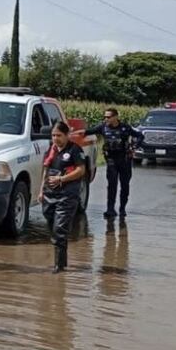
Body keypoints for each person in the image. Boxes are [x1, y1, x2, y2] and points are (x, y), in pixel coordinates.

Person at [38, 121, 86, 273]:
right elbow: (45, 171)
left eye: (59, 135)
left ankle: (58, 266)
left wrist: (61, 179)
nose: (55, 138)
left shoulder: (74, 150)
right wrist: (41, 191)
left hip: (67, 195)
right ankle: (62, 261)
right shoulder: (51, 150)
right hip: (49, 194)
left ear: (67, 135)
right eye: (53, 135)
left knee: (59, 229)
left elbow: (81, 170)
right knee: (53, 226)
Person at [82, 108, 144, 219]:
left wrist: (134, 147)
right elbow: (88, 132)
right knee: (112, 186)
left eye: (109, 117)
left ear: (116, 117)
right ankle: (110, 209)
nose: (106, 119)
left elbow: (140, 136)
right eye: (105, 117)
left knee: (124, 186)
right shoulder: (103, 127)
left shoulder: (125, 128)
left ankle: (122, 209)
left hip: (124, 160)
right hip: (111, 161)